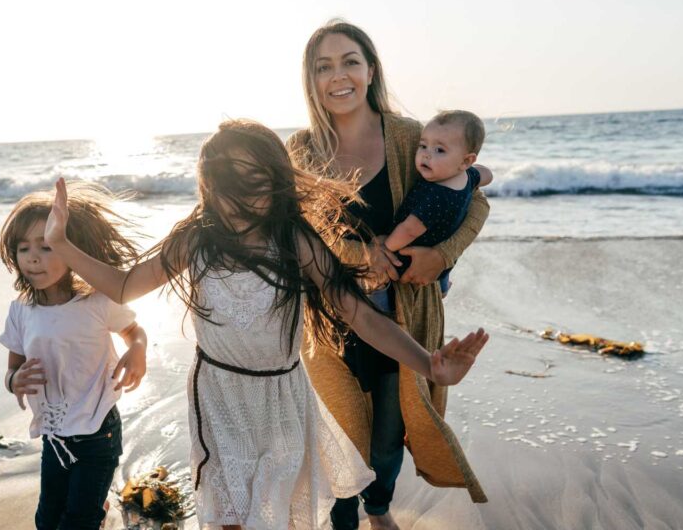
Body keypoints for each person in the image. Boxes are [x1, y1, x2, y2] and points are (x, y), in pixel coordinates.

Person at [44, 120, 489, 530]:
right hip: (218, 398)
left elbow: (359, 313)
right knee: (231, 515)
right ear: (210, 185)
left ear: (275, 184)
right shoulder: (196, 241)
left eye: (255, 184)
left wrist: (430, 365)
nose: (242, 200)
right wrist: (60, 244)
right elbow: (124, 286)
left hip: (282, 400)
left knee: (276, 515)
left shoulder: (292, 239)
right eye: (230, 185)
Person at [287, 20, 491, 530]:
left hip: (404, 309)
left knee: (390, 429)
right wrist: (361, 253)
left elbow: (473, 199)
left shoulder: (408, 136)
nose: (339, 76)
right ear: (310, 80)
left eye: (350, 61)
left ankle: (377, 509)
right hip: (329, 316)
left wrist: (443, 256)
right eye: (323, 66)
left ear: (370, 69)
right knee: (343, 429)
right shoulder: (300, 151)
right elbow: (298, 236)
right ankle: (343, 518)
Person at [0, 184, 149, 529]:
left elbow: (134, 330)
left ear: (72, 250)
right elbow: (11, 371)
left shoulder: (97, 302)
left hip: (99, 433)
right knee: (46, 520)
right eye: (24, 248)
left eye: (47, 246)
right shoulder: (21, 312)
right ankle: (98, 505)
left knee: (76, 522)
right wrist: (15, 380)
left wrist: (137, 350)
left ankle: (95, 509)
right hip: (55, 436)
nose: (33, 257)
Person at [371, 110, 494, 312]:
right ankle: (442, 286)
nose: (427, 154)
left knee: (379, 288)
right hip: (441, 258)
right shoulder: (468, 176)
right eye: (423, 146)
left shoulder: (436, 195)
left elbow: (410, 230)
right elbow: (486, 174)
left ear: (465, 161)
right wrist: (486, 174)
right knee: (443, 273)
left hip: (410, 259)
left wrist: (387, 247)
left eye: (440, 150)